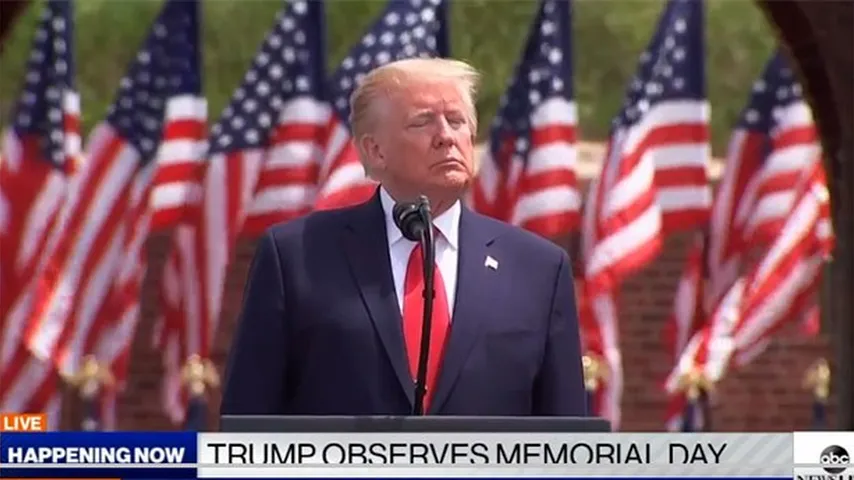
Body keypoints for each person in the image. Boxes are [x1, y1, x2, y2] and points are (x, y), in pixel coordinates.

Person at [220, 57, 587, 416]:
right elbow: (248, 422)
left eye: (457, 120)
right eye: (422, 122)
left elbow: (564, 436)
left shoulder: (538, 269)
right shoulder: (296, 256)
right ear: (375, 150)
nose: (446, 136)